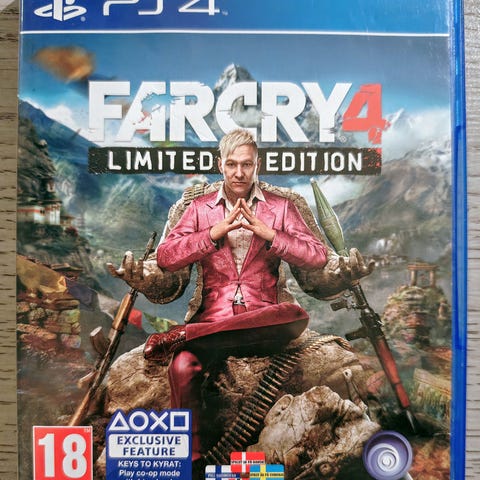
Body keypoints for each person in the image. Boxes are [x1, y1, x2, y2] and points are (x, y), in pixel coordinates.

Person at [107, 128, 374, 461]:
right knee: (183, 365)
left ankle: (183, 335)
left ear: (256, 165)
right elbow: (167, 256)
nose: (239, 173)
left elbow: (317, 256)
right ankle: (192, 458)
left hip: (266, 323)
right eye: (232, 164)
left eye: (246, 164)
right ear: (220, 165)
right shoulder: (198, 207)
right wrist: (212, 234)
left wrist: (271, 235)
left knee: (293, 314)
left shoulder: (282, 206)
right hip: (212, 321)